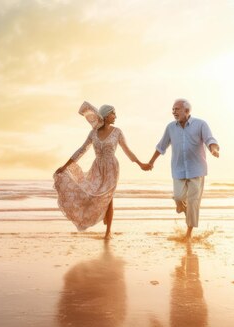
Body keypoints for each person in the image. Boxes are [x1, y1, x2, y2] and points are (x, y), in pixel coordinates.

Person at [54, 101, 145, 239]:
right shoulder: (93, 133)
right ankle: (103, 214)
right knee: (92, 194)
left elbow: (127, 150)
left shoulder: (117, 132)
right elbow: (82, 149)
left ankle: (108, 232)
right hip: (97, 167)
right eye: (113, 113)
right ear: (107, 115)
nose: (115, 116)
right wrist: (65, 166)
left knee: (109, 197)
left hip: (111, 168)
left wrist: (139, 163)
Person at [141, 99, 219, 240]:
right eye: (173, 109)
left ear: (187, 111)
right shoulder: (171, 127)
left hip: (197, 169)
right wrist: (151, 162)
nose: (174, 112)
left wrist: (214, 150)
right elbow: (161, 146)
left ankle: (188, 234)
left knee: (193, 202)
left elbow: (210, 140)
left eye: (177, 109)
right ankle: (184, 208)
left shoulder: (201, 124)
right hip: (178, 170)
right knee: (178, 197)